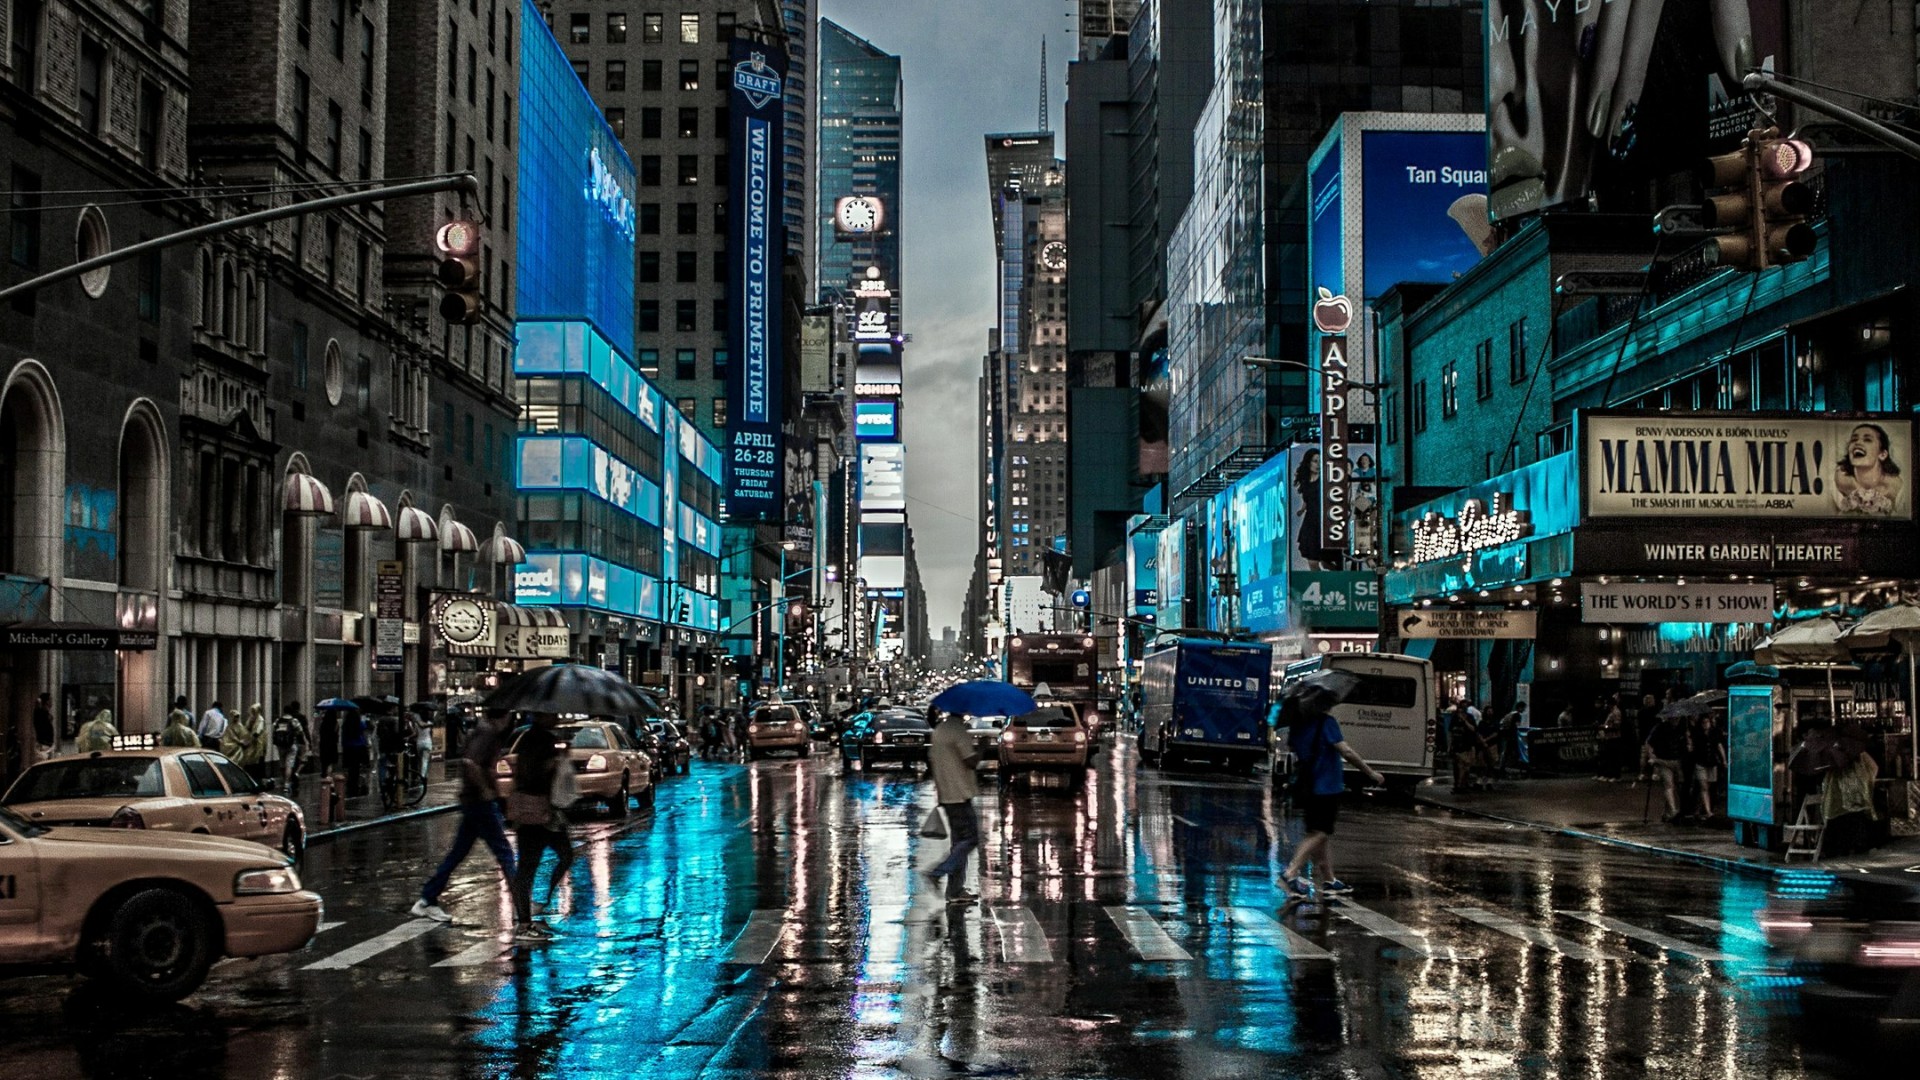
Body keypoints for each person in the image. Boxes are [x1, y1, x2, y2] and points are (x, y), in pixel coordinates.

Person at [413, 710, 518, 924]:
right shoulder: (487, 733)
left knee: (458, 853)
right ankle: (521, 904)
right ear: (503, 715)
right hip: (480, 803)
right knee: (504, 852)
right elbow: (471, 763)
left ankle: (427, 899)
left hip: (474, 802)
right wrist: (488, 791)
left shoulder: (483, 732)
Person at [1279, 692, 1385, 899]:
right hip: (1326, 786)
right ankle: (1290, 873)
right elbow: (1345, 751)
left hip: (1307, 786)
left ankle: (1329, 880)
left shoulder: (1298, 725)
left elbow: (1293, 747)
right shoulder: (1326, 723)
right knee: (1320, 832)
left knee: (1319, 833)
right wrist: (1370, 773)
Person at [507, 714, 575, 942]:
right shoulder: (533, 739)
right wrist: (555, 763)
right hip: (534, 810)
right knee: (528, 865)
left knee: (564, 855)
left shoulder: (544, 738)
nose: (556, 717)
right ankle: (524, 922)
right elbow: (531, 774)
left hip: (547, 811)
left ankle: (537, 905)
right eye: (552, 715)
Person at [923, 706, 982, 905]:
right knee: (971, 839)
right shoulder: (958, 730)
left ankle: (955, 890)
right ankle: (938, 872)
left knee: (959, 845)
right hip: (960, 794)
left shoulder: (940, 730)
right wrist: (982, 747)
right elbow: (971, 761)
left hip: (947, 794)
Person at [1833, 422, 1904, 515]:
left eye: (1867, 440)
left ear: (1882, 454)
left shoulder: (1896, 487)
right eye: (1854, 439)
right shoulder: (1840, 479)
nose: (1857, 442)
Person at [1642, 709, 1690, 823]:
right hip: (1663, 760)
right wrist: (1652, 756)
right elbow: (1648, 743)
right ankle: (1673, 811)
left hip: (1677, 760)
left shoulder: (1682, 728)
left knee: (1678, 787)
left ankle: (1667, 812)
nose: (1676, 720)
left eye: (1677, 718)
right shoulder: (1660, 728)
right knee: (1669, 785)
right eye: (1674, 717)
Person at [1685, 712, 1726, 822]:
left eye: (1707, 722)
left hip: (1711, 763)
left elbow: (1719, 746)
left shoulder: (1714, 733)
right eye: (1703, 723)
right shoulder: (1697, 734)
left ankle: (1700, 809)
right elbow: (1692, 747)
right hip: (1701, 763)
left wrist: (1724, 760)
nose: (1705, 724)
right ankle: (1707, 811)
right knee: (1704, 787)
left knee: (1708, 786)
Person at [223, 703, 270, 778]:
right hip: (246, 744)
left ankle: (258, 777)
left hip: (257, 743)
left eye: (254, 711)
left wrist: (248, 741)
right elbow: (245, 730)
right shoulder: (250, 719)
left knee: (258, 759)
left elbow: (256, 732)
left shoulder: (260, 720)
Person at [273, 703, 310, 794]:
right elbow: (301, 732)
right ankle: (287, 783)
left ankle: (284, 779)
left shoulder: (278, 720)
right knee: (289, 764)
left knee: (282, 764)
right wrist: (306, 742)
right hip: (291, 745)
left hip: (280, 745)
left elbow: (274, 729)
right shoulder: (294, 721)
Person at [341, 706, 371, 797]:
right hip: (359, 747)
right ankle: (358, 783)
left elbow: (343, 736)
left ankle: (351, 783)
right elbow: (365, 736)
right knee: (359, 767)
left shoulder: (345, 724)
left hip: (348, 747)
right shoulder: (360, 723)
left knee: (350, 767)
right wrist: (367, 744)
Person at [1596, 695, 1624, 780]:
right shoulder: (1611, 712)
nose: (1606, 705)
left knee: (1614, 757)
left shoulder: (1616, 712)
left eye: (1607, 703)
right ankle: (1610, 774)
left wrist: (1605, 727)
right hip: (1609, 737)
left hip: (1614, 737)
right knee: (1609, 757)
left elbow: (1616, 726)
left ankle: (1616, 775)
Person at [32, 693, 55, 760]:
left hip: (48, 744)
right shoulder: (40, 713)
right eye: (50, 699)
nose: (52, 701)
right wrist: (39, 702)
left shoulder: (46, 712)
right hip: (43, 744)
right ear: (47, 701)